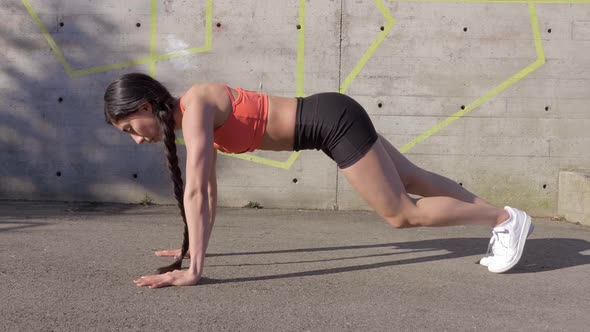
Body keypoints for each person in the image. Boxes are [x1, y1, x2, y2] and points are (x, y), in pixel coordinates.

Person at [103, 72, 534, 288]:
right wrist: (190, 249)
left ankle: (503, 219)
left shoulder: (196, 104)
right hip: (331, 118)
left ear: (143, 105)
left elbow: (196, 189)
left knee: (401, 214)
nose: (137, 140)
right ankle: (500, 221)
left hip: (331, 123)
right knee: (413, 179)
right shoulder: (196, 117)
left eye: (130, 129)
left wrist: (192, 270)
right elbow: (209, 191)